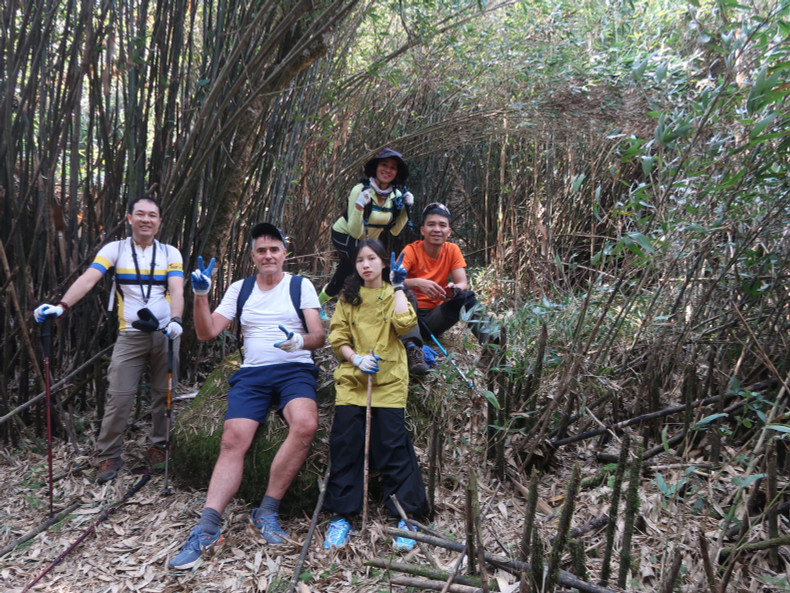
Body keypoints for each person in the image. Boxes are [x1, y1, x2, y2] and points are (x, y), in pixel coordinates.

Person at [169, 222, 325, 570]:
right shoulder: (241, 289)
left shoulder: (300, 286)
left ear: (285, 252)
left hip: (294, 369)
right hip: (253, 373)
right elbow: (207, 331)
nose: (268, 256)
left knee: (305, 425)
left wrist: (298, 341)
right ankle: (208, 526)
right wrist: (200, 296)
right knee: (232, 438)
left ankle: (267, 510)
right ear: (252, 256)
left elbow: (318, 336)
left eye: (274, 249)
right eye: (261, 250)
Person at [34, 195, 184, 484]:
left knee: (163, 394)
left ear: (159, 222)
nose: (146, 219)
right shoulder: (115, 249)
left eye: (152, 215)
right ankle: (109, 454)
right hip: (130, 334)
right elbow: (90, 278)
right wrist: (62, 306)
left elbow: (177, 289)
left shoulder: (170, 253)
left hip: (166, 334)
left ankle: (159, 447)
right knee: (119, 396)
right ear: (129, 219)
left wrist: (176, 321)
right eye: (140, 214)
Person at [322, 239, 428, 551]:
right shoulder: (348, 297)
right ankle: (342, 516)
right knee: (346, 445)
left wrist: (397, 287)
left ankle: (407, 517)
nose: (365, 264)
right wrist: (355, 358)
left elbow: (405, 323)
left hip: (390, 381)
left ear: (383, 262)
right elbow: (337, 336)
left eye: (372, 258)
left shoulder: (397, 292)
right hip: (354, 382)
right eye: (360, 260)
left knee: (392, 445)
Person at [399, 202, 502, 372]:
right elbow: (393, 280)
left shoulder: (452, 250)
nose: (437, 229)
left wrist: (454, 289)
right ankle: (413, 351)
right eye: (431, 224)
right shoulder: (411, 250)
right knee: (404, 293)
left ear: (449, 231)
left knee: (466, 297)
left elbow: (463, 284)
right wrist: (417, 283)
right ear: (422, 230)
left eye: (442, 225)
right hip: (409, 318)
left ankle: (493, 347)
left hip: (434, 319)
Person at [318, 148, 414, 318]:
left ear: (397, 173)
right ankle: (361, 309)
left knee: (345, 271)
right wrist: (359, 205)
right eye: (384, 165)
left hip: (367, 241)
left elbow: (395, 230)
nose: (387, 170)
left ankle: (318, 304)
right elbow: (355, 232)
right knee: (371, 267)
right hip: (344, 234)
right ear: (376, 167)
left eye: (393, 167)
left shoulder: (397, 195)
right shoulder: (360, 189)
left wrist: (407, 209)